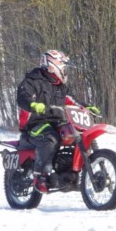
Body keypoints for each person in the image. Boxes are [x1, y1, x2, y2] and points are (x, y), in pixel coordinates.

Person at [16, 49, 100, 193]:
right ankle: (40, 176)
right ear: (52, 65)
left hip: (57, 122)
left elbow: (71, 100)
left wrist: (86, 107)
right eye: (63, 67)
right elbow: (23, 96)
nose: (65, 70)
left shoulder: (60, 86)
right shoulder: (33, 79)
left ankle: (72, 172)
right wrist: (33, 105)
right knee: (50, 138)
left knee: (77, 135)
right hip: (35, 124)